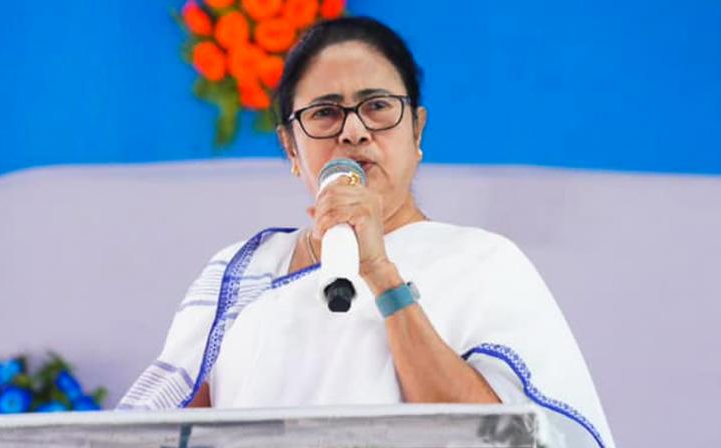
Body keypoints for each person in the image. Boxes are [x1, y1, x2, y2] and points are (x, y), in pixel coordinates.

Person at [118, 17, 615, 448]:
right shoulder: (244, 269)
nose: (353, 132)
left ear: (416, 131)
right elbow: (171, 428)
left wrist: (379, 273)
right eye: (325, 113)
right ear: (291, 149)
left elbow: (495, 437)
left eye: (377, 106)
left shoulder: (483, 263)